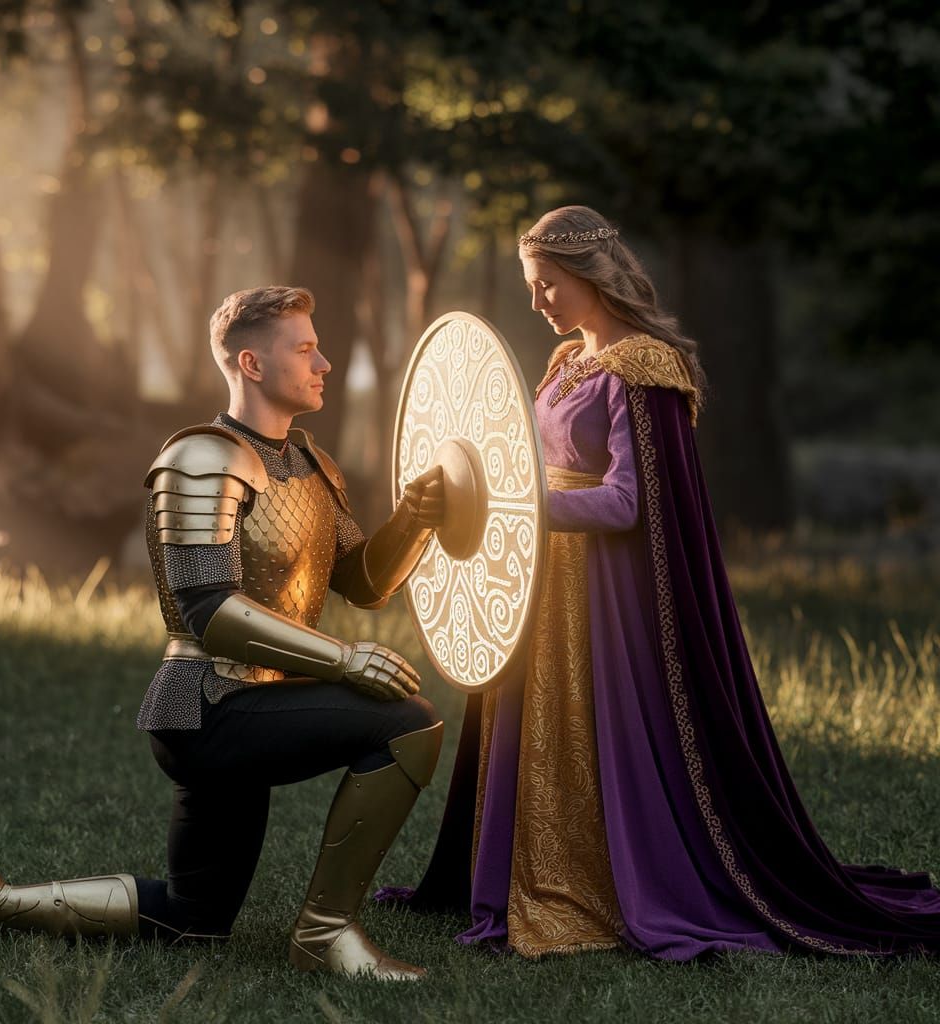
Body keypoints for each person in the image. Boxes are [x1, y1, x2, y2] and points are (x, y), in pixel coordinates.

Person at [382, 205, 940, 960]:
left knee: (591, 727)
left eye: (548, 285)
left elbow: (627, 501)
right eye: (531, 286)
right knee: (539, 727)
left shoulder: (645, 367)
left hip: (601, 591)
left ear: (589, 276)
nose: (537, 301)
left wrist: (517, 506)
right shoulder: (564, 363)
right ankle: (525, 873)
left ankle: (600, 881)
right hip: (538, 581)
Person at [0, 285, 447, 981]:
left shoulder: (311, 464)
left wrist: (415, 517)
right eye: (306, 348)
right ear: (252, 364)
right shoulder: (203, 459)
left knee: (192, 919)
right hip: (209, 707)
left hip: (260, 700)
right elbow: (208, 610)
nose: (323, 363)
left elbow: (366, 583)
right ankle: (325, 933)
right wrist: (344, 659)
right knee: (409, 723)